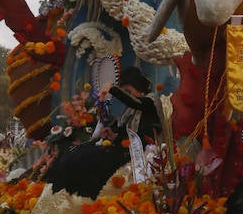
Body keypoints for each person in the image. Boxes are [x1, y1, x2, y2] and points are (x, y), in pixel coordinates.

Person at [43, 67, 162, 200]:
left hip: (137, 152)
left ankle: (84, 198)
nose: (128, 96)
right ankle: (59, 195)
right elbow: (121, 130)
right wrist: (111, 134)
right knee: (78, 151)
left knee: (90, 157)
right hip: (122, 147)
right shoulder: (130, 110)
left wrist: (112, 88)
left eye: (129, 91)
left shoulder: (150, 102)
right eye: (125, 92)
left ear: (140, 88)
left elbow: (135, 103)